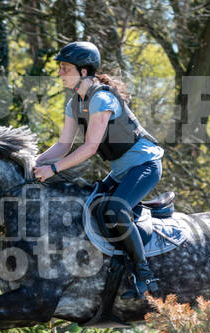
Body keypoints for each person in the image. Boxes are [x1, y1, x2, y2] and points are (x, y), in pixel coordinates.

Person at [33, 41, 164, 299]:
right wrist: (34, 163)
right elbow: (63, 145)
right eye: (60, 68)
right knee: (88, 205)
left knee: (115, 209)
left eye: (64, 68)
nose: (60, 73)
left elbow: (91, 147)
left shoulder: (102, 99)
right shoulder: (74, 104)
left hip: (145, 165)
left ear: (83, 72)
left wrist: (54, 169)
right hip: (121, 172)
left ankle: (144, 275)